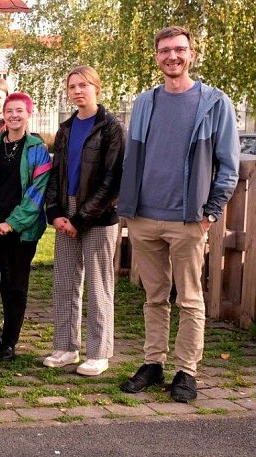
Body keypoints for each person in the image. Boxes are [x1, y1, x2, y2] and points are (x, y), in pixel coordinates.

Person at [118, 26, 239, 402]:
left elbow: (228, 165)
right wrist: (129, 209)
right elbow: (132, 159)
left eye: (179, 50)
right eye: (165, 50)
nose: (172, 56)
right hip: (143, 218)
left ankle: (187, 370)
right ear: (156, 56)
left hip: (188, 220)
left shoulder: (215, 103)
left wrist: (210, 213)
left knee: (189, 298)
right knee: (154, 297)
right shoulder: (143, 103)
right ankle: (153, 363)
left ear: (192, 55)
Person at [43, 66, 125, 376]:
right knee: (65, 283)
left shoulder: (111, 127)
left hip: (98, 215)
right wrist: (55, 212)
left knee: (98, 284)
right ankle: (66, 347)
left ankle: (99, 352)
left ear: (96, 88)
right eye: (72, 86)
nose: (78, 91)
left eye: (84, 85)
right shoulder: (65, 128)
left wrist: (80, 218)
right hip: (67, 211)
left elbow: (112, 180)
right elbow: (56, 173)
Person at [0, 92, 51, 363]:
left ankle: (9, 343)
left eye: (19, 111)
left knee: (15, 288)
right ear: (4, 114)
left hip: (22, 230)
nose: (14, 115)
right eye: (9, 111)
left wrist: (12, 223)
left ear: (28, 114)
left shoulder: (38, 150)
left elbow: (37, 194)